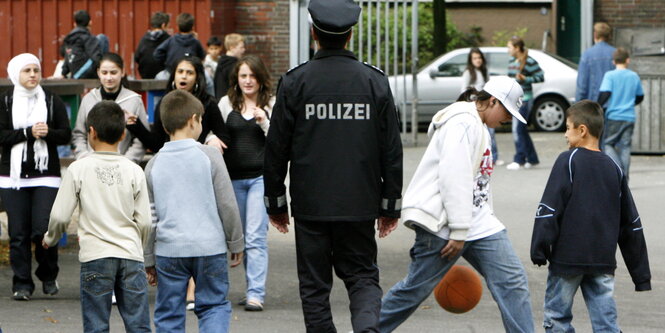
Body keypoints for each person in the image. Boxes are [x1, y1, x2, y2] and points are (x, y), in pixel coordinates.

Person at [263, 0, 403, 331]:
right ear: (350, 36)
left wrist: (276, 204)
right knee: (363, 277)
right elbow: (392, 151)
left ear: (313, 33)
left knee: (314, 287)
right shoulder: (374, 82)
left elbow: (275, 150)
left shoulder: (296, 83)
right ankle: (367, 328)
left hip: (311, 207)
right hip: (359, 204)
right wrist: (390, 206)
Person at [379, 76, 534, 333]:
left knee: (513, 281)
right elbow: (454, 175)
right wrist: (460, 229)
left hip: (479, 223)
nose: (509, 119)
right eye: (508, 111)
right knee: (413, 291)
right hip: (445, 225)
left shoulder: (479, 124)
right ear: (492, 101)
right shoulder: (462, 122)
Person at [531, 100, 651, 332]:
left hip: (567, 260)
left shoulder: (568, 161)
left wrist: (540, 248)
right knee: (606, 323)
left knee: (557, 317)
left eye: (567, 128)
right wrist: (640, 275)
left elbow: (549, 208)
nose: (565, 134)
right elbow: (631, 224)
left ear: (582, 130)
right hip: (602, 261)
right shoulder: (614, 167)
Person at [42, 101, 152, 332]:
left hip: (96, 256)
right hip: (130, 254)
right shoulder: (134, 170)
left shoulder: (78, 169)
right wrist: (138, 248)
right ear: (123, 134)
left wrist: (51, 238)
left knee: (96, 325)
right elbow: (144, 221)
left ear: (91, 132)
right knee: (138, 325)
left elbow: (61, 216)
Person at [143, 89, 244, 332]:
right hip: (210, 247)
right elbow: (227, 203)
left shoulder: (153, 164)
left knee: (169, 314)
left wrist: (148, 258)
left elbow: (150, 218)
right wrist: (236, 241)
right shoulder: (209, 156)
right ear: (193, 121)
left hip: (169, 250)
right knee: (214, 306)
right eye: (200, 120)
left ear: (166, 127)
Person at [0, 53, 72, 301]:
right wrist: (27, 133)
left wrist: (47, 133)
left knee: (43, 229)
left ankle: (48, 273)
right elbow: (2, 136)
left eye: (36, 70)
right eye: (27, 70)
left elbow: (65, 134)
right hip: (13, 176)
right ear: (16, 74)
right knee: (18, 233)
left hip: (46, 175)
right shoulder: (5, 101)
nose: (33, 75)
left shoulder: (51, 100)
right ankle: (22, 284)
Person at [218, 55, 275, 312]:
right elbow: (214, 132)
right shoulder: (226, 103)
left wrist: (264, 123)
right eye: (243, 76)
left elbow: (280, 141)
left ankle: (255, 293)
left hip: (259, 178)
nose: (248, 81)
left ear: (261, 79)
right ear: (236, 79)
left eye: (252, 76)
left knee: (255, 236)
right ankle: (249, 287)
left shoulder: (271, 103)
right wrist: (211, 139)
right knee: (238, 237)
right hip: (232, 179)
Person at [125, 56, 228, 153]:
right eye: (180, 71)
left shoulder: (208, 103)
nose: (184, 76)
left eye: (189, 73)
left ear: (197, 78)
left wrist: (211, 139)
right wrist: (136, 126)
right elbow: (156, 144)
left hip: (200, 159)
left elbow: (224, 137)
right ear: (174, 75)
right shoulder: (164, 103)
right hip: (171, 160)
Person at [72, 53, 149, 164]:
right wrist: (84, 157)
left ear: (122, 72)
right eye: (104, 73)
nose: (108, 77)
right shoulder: (88, 99)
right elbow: (79, 133)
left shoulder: (134, 100)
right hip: (91, 165)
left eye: (113, 72)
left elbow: (140, 140)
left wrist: (127, 161)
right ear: (98, 73)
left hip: (123, 166)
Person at [597, 47, 644, 177]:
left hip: (614, 116)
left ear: (613, 61)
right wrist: (630, 104)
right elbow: (640, 96)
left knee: (608, 143)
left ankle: (620, 171)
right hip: (629, 116)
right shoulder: (634, 76)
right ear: (627, 60)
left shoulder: (610, 75)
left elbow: (605, 93)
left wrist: (597, 106)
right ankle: (625, 178)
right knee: (626, 147)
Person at [506, 36, 543, 170]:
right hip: (514, 99)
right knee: (522, 130)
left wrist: (526, 79)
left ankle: (519, 159)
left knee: (517, 129)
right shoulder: (511, 61)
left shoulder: (529, 62)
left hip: (525, 99)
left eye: (509, 47)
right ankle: (532, 158)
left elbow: (540, 76)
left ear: (517, 48)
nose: (508, 50)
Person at [460, 48, 502, 165]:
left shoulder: (484, 71)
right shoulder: (468, 72)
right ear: (471, 60)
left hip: (486, 105)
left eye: (479, 58)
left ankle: (493, 156)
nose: (477, 60)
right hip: (475, 106)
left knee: (490, 132)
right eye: (475, 58)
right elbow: (463, 90)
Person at [153, 12, 205, 79]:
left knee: (158, 78)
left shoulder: (171, 40)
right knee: (208, 81)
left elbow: (157, 53)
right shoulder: (195, 42)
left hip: (170, 72)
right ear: (192, 27)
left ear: (177, 27)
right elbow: (202, 56)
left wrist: (167, 63)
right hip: (189, 73)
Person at [576, 22, 616, 103]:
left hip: (594, 104)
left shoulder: (587, 55)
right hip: (613, 104)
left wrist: (579, 103)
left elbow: (582, 84)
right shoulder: (616, 53)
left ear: (595, 35)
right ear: (608, 36)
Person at [61, 10, 106, 79]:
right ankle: (105, 71)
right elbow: (96, 58)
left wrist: (63, 73)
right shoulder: (89, 38)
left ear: (75, 24)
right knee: (102, 38)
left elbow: (68, 57)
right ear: (90, 22)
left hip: (74, 75)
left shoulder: (68, 39)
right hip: (83, 75)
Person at [135, 12, 171, 79]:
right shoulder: (168, 39)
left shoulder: (144, 39)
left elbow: (136, 57)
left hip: (145, 76)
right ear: (163, 25)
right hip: (163, 78)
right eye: (168, 25)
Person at [213, 33, 246, 100]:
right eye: (241, 47)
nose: (244, 50)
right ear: (232, 48)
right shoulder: (233, 66)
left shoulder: (221, 63)